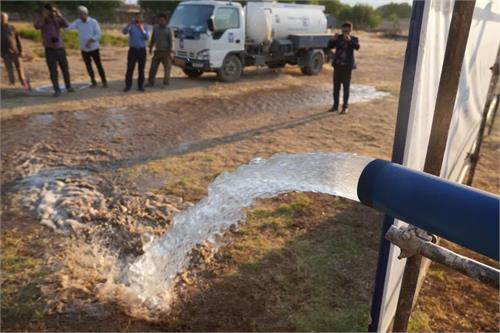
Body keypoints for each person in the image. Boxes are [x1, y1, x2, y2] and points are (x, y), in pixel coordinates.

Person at [34, 4, 73, 97]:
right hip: (49, 49)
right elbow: (37, 26)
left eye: (54, 11)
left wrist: (60, 15)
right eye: (51, 11)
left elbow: (67, 25)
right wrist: (43, 17)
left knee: (65, 68)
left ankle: (68, 86)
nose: (52, 13)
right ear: (46, 11)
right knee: (53, 70)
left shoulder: (58, 19)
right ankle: (57, 89)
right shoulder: (43, 21)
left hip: (60, 48)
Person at [66, 5, 107, 88]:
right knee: (88, 66)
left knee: (98, 65)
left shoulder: (93, 22)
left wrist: (90, 41)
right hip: (84, 49)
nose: (81, 16)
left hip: (94, 48)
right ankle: (93, 81)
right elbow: (68, 28)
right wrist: (61, 22)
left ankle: (104, 81)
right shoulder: (78, 22)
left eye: (82, 14)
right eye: (79, 14)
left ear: (86, 13)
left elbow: (98, 34)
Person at [328, 21, 360, 114]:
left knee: (346, 88)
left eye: (346, 29)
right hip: (337, 66)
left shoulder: (354, 38)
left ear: (350, 30)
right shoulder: (338, 38)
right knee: (336, 88)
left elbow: (357, 47)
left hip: (347, 68)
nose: (344, 31)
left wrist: (349, 40)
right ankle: (335, 106)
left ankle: (345, 107)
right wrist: (332, 40)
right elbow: (329, 47)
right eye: (343, 29)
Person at [122, 13, 149, 92]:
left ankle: (140, 86)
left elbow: (147, 37)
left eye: (140, 17)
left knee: (141, 69)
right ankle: (128, 86)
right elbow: (124, 32)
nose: (139, 19)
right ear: (135, 18)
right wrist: (129, 24)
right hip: (133, 50)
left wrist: (142, 30)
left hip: (142, 50)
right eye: (137, 17)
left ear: (142, 19)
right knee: (130, 68)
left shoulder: (145, 27)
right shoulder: (132, 26)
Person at [1, 12, 27, 88]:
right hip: (4, 52)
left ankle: (23, 83)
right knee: (9, 68)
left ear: (7, 18)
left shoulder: (12, 27)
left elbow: (18, 40)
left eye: (4, 18)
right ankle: (12, 83)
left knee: (19, 68)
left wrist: (21, 50)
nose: (2, 19)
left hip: (15, 52)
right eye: (1, 18)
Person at [146, 13, 172, 87]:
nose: (161, 21)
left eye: (163, 20)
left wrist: (170, 52)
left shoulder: (168, 30)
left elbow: (171, 42)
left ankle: (166, 83)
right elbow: (152, 39)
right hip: (157, 52)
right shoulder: (156, 28)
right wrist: (150, 47)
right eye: (160, 20)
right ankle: (150, 82)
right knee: (153, 68)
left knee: (167, 69)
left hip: (166, 52)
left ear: (165, 21)